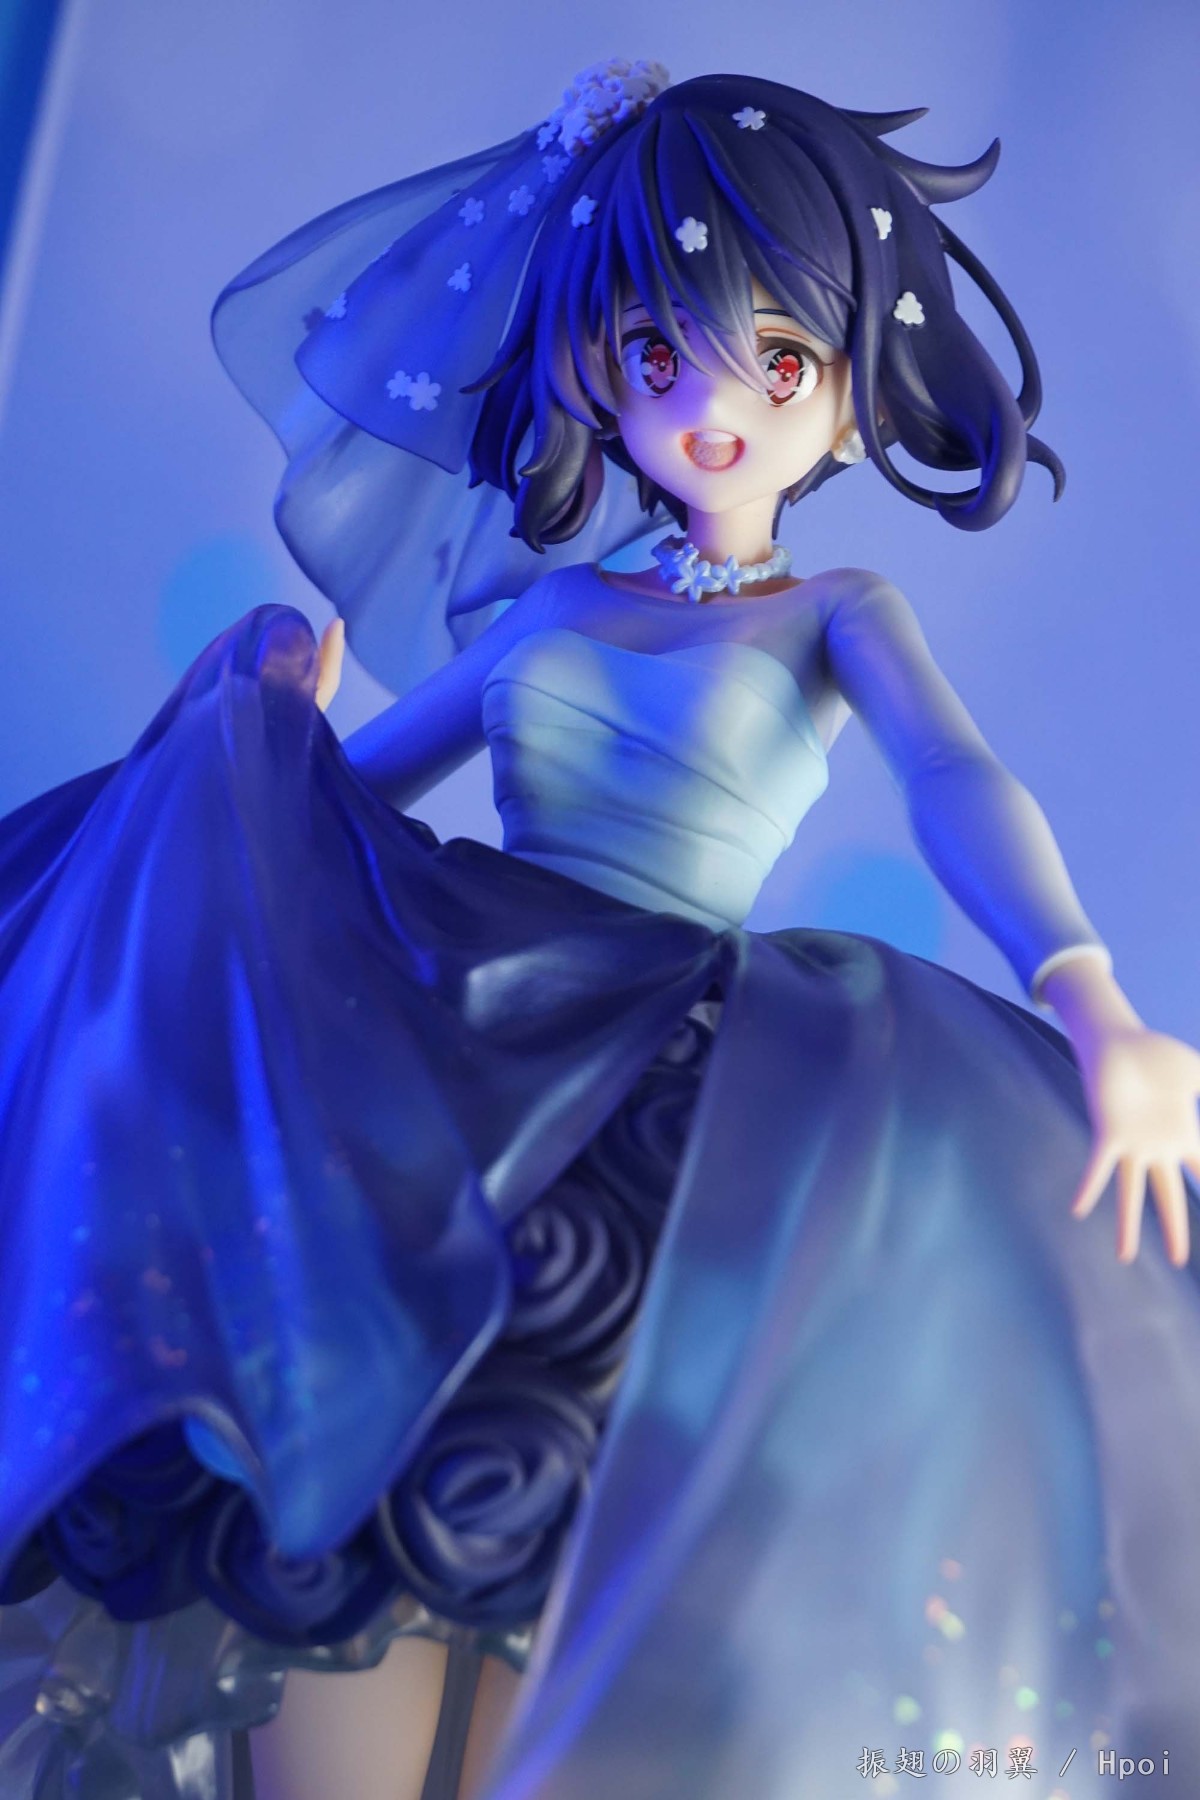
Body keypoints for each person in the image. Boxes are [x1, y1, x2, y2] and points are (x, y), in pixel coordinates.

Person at [0, 58, 1198, 1800]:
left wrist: (1087, 993)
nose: (713, 405)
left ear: (848, 394)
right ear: (594, 366)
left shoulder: (835, 609)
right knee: (346, 1509)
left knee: (576, 1560)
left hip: (676, 1095)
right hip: (453, 1057)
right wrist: (265, 740)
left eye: (775, 358)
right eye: (659, 353)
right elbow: (358, 794)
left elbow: (956, 779)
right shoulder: (556, 606)